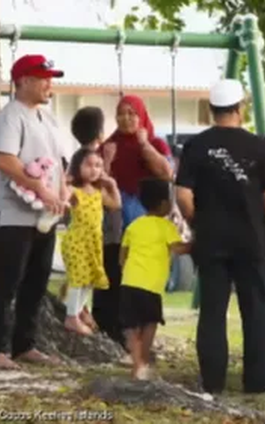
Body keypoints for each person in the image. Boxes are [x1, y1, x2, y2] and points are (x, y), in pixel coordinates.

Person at [176, 79, 265, 394]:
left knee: (212, 312)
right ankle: (257, 382)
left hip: (211, 241)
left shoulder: (196, 146)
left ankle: (212, 382)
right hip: (252, 240)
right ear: (240, 108)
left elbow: (183, 195)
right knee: (256, 311)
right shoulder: (259, 147)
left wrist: (201, 221)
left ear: (212, 110)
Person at [0, 54, 68, 369]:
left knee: (36, 282)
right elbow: (4, 160)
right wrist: (42, 190)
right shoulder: (10, 117)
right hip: (11, 217)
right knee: (7, 282)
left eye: (50, 77)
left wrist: (62, 190)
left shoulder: (49, 119)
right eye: (43, 77)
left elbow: (59, 162)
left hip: (42, 218)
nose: (50, 84)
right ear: (24, 81)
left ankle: (25, 344)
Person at [119, 178, 191, 380]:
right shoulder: (165, 226)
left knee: (131, 326)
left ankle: (136, 362)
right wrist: (195, 244)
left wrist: (127, 270)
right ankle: (143, 359)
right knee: (150, 322)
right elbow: (178, 248)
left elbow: (122, 255)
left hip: (129, 283)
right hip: (151, 286)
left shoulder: (134, 225)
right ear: (163, 204)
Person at [69, 106, 125, 345]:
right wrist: (108, 162)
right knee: (100, 277)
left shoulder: (79, 157)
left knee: (95, 277)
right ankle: (93, 319)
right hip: (97, 233)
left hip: (98, 232)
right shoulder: (91, 159)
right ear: (100, 132)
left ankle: (83, 310)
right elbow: (97, 187)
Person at [61, 148, 121, 335]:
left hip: (93, 243)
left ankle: (78, 310)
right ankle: (71, 317)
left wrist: (113, 186)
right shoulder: (74, 190)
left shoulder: (98, 191)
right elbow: (62, 196)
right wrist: (65, 180)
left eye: (98, 166)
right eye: (88, 165)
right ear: (77, 166)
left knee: (91, 279)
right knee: (78, 279)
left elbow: (116, 204)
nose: (94, 169)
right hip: (77, 241)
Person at [100, 95, 173, 231]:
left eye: (131, 113)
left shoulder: (156, 144)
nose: (125, 118)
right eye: (120, 114)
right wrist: (107, 161)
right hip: (117, 221)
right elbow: (96, 183)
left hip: (150, 217)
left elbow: (167, 174)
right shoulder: (109, 146)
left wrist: (144, 145)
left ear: (141, 116)